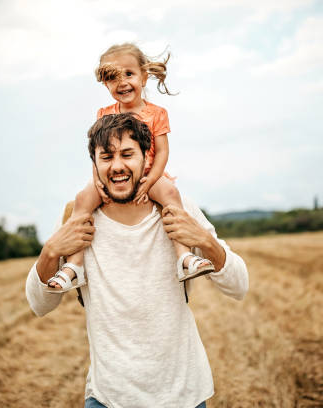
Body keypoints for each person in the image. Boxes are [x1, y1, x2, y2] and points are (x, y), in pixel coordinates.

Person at [26, 113, 249, 408]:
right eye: (106, 157)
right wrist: (51, 251)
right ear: (95, 165)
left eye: (127, 154)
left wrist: (204, 241)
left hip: (183, 397)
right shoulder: (77, 218)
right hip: (108, 399)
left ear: (147, 158)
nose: (117, 166)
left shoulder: (179, 208)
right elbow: (39, 305)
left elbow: (239, 286)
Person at [47, 43, 214, 294]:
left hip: (150, 175)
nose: (122, 82)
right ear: (105, 83)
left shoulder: (157, 113)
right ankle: (74, 265)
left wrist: (150, 181)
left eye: (129, 74)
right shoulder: (104, 114)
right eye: (113, 78)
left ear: (144, 76)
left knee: (170, 195)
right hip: (112, 177)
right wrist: (98, 182)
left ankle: (184, 257)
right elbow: (97, 153)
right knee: (82, 200)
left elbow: (163, 151)